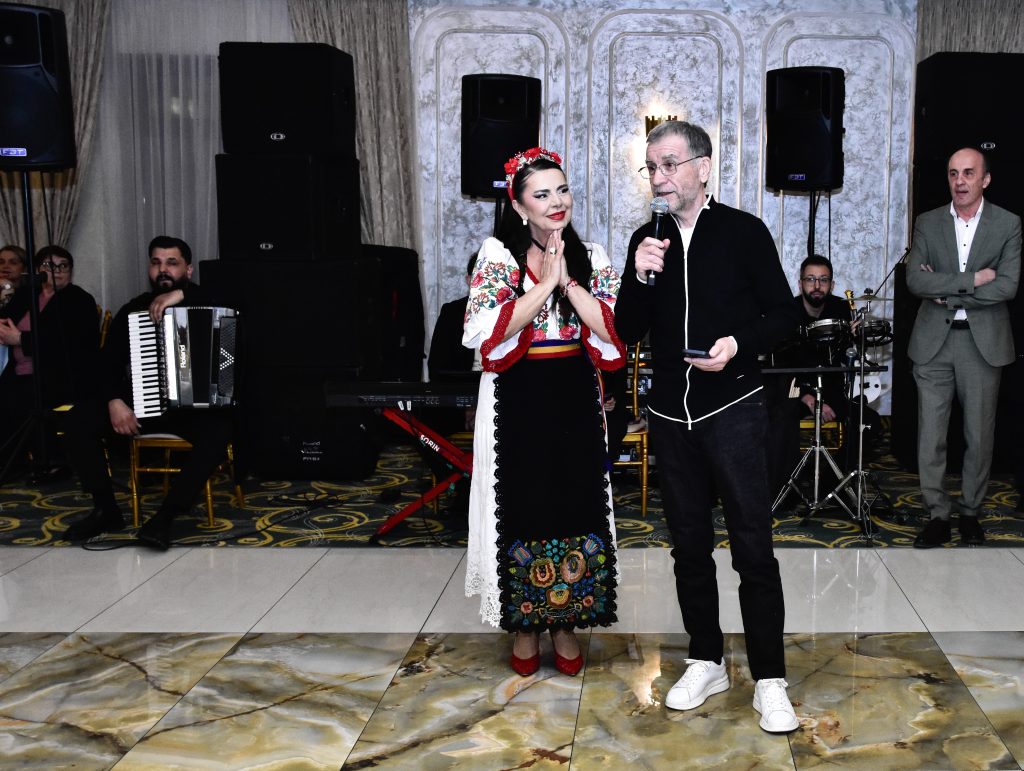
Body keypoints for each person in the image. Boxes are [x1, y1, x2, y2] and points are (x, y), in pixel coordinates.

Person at [614, 121, 801, 732]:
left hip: (734, 410)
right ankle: (706, 659)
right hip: (671, 416)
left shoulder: (743, 232)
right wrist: (638, 275)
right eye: (651, 167)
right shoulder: (648, 240)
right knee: (688, 547)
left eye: (669, 164)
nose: (659, 178)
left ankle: (769, 678)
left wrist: (737, 344)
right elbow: (627, 330)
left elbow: (785, 315)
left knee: (753, 546)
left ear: (702, 166)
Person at [463, 146, 625, 677]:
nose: (557, 202)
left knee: (574, 505)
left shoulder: (592, 256)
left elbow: (612, 333)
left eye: (563, 190)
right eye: (542, 194)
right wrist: (545, 286)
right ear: (518, 206)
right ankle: (526, 624)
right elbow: (486, 334)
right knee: (524, 504)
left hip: (574, 395)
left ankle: (566, 622)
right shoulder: (498, 255)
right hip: (515, 395)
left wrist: (568, 282)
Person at [62, 236, 234, 549]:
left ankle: (165, 517)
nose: (162, 269)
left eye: (172, 263)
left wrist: (181, 294)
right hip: (145, 404)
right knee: (78, 420)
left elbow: (242, 298)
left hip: (193, 410)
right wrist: (115, 401)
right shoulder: (134, 310)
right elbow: (106, 365)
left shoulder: (208, 299)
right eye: (156, 263)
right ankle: (106, 510)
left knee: (219, 430)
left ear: (188, 270)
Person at [906, 147, 1021, 548]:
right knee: (931, 436)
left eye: (969, 173)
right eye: (954, 173)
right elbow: (916, 281)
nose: (960, 181)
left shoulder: (1008, 223)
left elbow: (1007, 286)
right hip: (933, 344)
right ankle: (937, 514)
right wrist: (974, 280)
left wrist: (947, 290)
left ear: (985, 179)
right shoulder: (928, 222)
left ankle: (970, 511)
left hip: (982, 344)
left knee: (979, 434)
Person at [0, 246, 99, 475]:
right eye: (48, 265)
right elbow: (6, 318)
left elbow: (68, 345)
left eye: (63, 265)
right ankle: (12, 461)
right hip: (20, 371)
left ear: (71, 270)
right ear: (37, 270)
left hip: (61, 375)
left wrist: (21, 339)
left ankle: (47, 461)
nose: (57, 271)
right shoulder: (28, 295)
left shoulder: (79, 300)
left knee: (21, 396)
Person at [765, 255, 856, 496]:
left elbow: (846, 355)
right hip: (795, 392)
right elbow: (780, 365)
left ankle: (829, 488)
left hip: (831, 391)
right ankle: (785, 489)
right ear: (800, 283)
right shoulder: (787, 313)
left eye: (823, 280)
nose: (817, 286)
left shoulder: (841, 309)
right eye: (810, 279)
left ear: (832, 285)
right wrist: (808, 397)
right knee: (779, 419)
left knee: (867, 423)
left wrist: (855, 336)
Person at [0, 244, 29, 375]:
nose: (5, 266)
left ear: (24, 267)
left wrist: (7, 287)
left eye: (13, 262)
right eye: (1, 262)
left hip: (16, 359)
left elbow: (6, 319)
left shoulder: (30, 294)